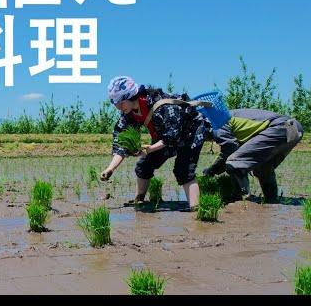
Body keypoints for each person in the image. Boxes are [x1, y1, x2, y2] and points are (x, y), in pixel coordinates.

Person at [100, 76, 211, 210]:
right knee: (144, 166)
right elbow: (121, 144)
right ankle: (139, 200)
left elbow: (172, 137)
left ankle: (197, 210)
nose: (118, 107)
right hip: (164, 136)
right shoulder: (129, 113)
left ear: (131, 96)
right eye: (115, 103)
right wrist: (110, 169)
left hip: (191, 131)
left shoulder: (162, 106)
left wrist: (151, 149)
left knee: (183, 169)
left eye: (120, 102)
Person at [202, 108, 303, 202]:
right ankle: (271, 202)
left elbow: (229, 150)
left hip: (280, 127)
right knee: (263, 168)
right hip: (293, 128)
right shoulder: (227, 120)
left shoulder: (217, 123)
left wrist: (212, 170)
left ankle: (244, 201)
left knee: (234, 163)